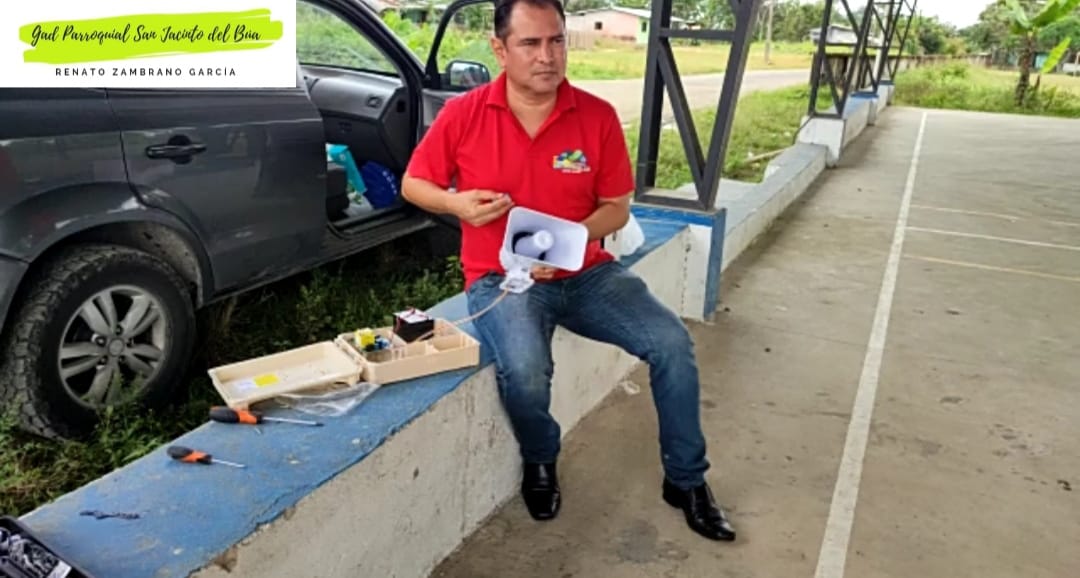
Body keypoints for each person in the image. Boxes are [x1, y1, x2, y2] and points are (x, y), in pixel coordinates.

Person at [400, 0, 735, 542]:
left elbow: (616, 208)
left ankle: (686, 480)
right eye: (530, 43)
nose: (547, 56)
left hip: (587, 274)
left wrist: (569, 245)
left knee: (672, 343)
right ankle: (540, 459)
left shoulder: (595, 116)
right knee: (526, 371)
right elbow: (414, 183)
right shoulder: (464, 114)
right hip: (502, 279)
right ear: (500, 49)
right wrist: (456, 204)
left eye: (556, 40)